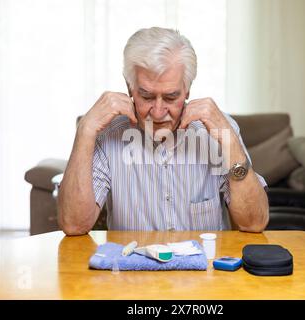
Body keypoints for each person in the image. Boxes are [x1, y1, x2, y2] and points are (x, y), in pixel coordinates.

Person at [58, 27, 269, 235]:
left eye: (170, 97)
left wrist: (230, 143)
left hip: (205, 267)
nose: (158, 113)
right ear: (130, 88)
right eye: (147, 96)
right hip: (131, 267)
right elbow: (74, 225)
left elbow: (254, 223)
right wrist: (85, 130)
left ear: (187, 90)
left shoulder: (219, 131)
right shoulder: (107, 134)